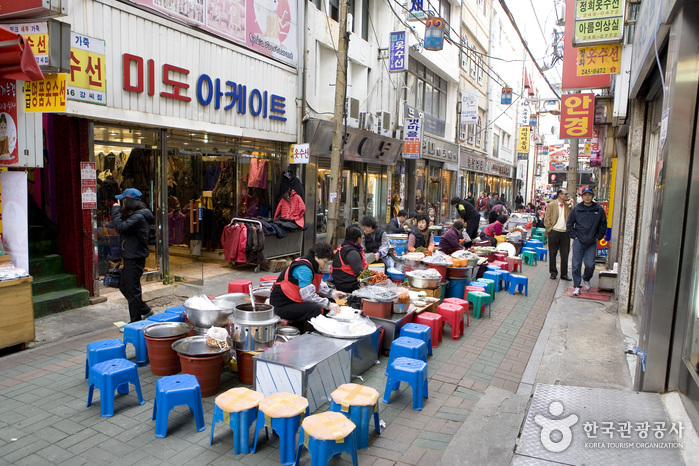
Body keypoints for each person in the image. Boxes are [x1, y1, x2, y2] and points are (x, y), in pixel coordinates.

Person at [270, 241, 347, 329]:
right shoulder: (304, 269)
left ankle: (329, 329)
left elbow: (316, 285)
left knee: (330, 301)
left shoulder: (312, 265)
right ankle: (313, 336)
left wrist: (331, 293)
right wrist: (328, 304)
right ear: (316, 256)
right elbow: (307, 296)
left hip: (294, 300)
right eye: (324, 262)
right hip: (282, 305)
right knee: (314, 309)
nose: (325, 265)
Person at [111, 188, 154, 323]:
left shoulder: (139, 217)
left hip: (134, 258)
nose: (122, 202)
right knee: (124, 286)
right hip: (131, 256)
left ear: (130, 201)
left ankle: (135, 322)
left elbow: (120, 227)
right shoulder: (136, 215)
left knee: (133, 290)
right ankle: (145, 310)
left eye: (124, 200)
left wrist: (116, 210)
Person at [567, 187, 608, 296]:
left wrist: (598, 237)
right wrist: (574, 236)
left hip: (592, 242)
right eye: (585, 195)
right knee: (576, 265)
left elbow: (603, 225)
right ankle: (576, 286)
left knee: (590, 265)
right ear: (582, 196)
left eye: (589, 194)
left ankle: (586, 278)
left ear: (592, 196)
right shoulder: (577, 209)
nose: (587, 197)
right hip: (578, 241)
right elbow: (569, 224)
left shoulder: (598, 209)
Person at [544, 188, 573, 281]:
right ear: (560, 195)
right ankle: (553, 272)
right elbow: (547, 218)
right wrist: (549, 229)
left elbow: (571, 217)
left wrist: (570, 206)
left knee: (565, 254)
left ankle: (564, 274)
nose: (567, 196)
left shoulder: (567, 205)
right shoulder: (552, 204)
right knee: (553, 253)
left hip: (565, 232)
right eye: (565, 194)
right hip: (554, 231)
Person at [331, 225, 367, 293]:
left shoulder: (343, 248)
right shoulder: (352, 252)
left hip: (339, 283)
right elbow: (360, 273)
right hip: (349, 286)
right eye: (361, 237)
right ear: (358, 238)